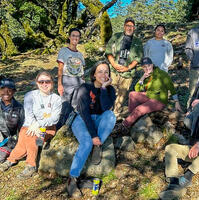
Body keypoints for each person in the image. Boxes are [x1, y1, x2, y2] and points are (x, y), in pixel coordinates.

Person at [67, 61, 116, 198]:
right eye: (100, 71)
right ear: (94, 74)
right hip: (81, 119)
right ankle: (72, 178)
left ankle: (97, 145)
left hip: (100, 118)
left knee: (111, 115)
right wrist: (94, 135)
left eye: (106, 71)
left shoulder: (110, 90)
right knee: (87, 143)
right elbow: (84, 113)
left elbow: (106, 108)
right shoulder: (84, 88)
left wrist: (105, 88)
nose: (103, 74)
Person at [0, 71, 62, 178]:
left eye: (47, 81)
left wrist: (38, 124)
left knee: (29, 136)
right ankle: (28, 165)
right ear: (37, 83)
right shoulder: (30, 95)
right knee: (28, 135)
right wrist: (34, 125)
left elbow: (54, 119)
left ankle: (17, 162)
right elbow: (28, 114)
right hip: (29, 125)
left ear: (52, 83)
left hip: (48, 128)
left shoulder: (56, 99)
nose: (44, 84)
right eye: (41, 82)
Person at [116, 57, 182, 134]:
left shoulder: (162, 74)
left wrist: (177, 102)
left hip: (159, 100)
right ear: (142, 68)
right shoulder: (146, 76)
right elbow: (137, 89)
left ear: (152, 65)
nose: (147, 68)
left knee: (139, 109)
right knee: (132, 94)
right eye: (145, 67)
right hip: (149, 97)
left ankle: (124, 125)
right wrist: (142, 78)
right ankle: (132, 119)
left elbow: (171, 88)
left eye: (149, 66)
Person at [105, 17, 143, 116]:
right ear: (124, 26)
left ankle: (116, 113)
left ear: (134, 28)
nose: (129, 28)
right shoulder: (116, 37)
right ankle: (106, 112)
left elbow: (138, 58)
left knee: (122, 94)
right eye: (127, 25)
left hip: (128, 73)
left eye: (132, 26)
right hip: (114, 70)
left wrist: (128, 67)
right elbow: (108, 51)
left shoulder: (137, 42)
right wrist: (113, 64)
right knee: (110, 91)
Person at [56, 28, 85, 129]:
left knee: (76, 106)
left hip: (79, 82)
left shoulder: (80, 55)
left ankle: (70, 128)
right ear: (69, 37)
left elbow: (82, 72)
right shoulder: (64, 51)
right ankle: (59, 128)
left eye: (77, 36)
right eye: (73, 35)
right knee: (65, 106)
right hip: (67, 80)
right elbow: (60, 69)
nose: (75, 38)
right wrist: (59, 84)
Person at [0, 78, 24, 163]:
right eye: (3, 89)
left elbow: (22, 129)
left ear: (14, 92)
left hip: (9, 142)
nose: (6, 92)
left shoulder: (19, 108)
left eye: (9, 90)